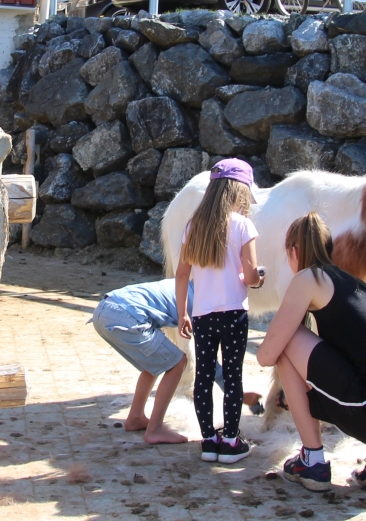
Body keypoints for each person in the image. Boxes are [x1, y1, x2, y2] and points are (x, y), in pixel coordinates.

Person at [258, 212, 366, 492]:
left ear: (293, 252)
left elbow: (266, 355)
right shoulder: (353, 285)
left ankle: (312, 461)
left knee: (287, 341)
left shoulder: (309, 278)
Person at [175, 158, 263, 464]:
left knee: (204, 375)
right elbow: (250, 276)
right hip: (234, 313)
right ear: (239, 191)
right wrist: (255, 278)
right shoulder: (243, 225)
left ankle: (208, 441)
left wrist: (181, 311)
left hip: (202, 314)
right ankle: (231, 440)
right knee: (234, 377)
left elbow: (182, 274)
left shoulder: (193, 227)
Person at [92, 280, 193, 444]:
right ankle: (155, 429)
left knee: (154, 362)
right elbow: (209, 361)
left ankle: (136, 417)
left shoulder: (184, 285)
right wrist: (238, 393)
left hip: (104, 309)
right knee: (178, 362)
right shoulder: (204, 304)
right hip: (123, 315)